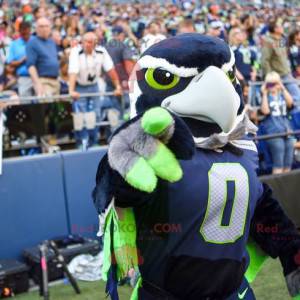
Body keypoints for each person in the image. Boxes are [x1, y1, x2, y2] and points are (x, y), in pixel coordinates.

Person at [68, 31, 122, 147]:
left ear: (96, 43)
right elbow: (73, 71)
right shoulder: (75, 52)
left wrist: (117, 86)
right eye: (86, 42)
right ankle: (81, 142)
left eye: (92, 42)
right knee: (80, 116)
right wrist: (71, 90)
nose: (89, 44)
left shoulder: (102, 51)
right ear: (82, 42)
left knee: (96, 115)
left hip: (94, 86)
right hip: (79, 86)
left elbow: (111, 70)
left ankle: (93, 142)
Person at [260, 71, 295, 174]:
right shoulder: (264, 96)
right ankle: (277, 189)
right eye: (269, 84)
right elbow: (265, 111)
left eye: (274, 83)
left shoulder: (283, 94)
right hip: (274, 133)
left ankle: (287, 189)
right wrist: (264, 94)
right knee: (278, 164)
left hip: (287, 131)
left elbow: (290, 103)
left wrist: (282, 88)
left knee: (288, 164)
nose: (272, 86)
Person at [261, 19, 300, 105]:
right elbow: (265, 61)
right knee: (296, 97)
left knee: (291, 99)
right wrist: (270, 77)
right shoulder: (268, 41)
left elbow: (283, 56)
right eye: (280, 26)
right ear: (275, 29)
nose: (282, 28)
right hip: (277, 77)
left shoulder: (281, 39)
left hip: (286, 74)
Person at [26, 17, 60, 96]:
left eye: (46, 26)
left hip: (55, 80)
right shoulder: (32, 43)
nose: (44, 29)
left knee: (55, 107)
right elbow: (31, 66)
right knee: (46, 105)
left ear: (50, 28)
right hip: (43, 81)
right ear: (36, 28)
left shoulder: (51, 42)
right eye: (41, 26)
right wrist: (37, 84)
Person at [7, 21, 33, 97]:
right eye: (23, 32)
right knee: (25, 102)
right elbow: (10, 62)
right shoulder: (14, 44)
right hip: (23, 77)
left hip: (38, 76)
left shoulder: (35, 41)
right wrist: (22, 60)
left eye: (27, 32)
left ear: (30, 30)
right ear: (20, 31)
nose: (25, 34)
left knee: (41, 102)